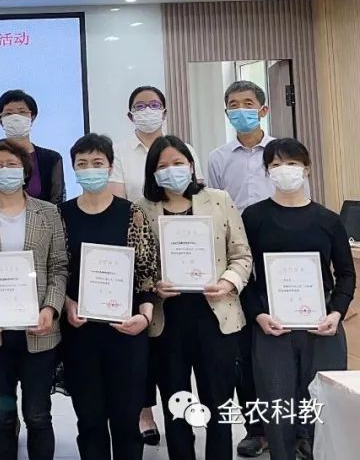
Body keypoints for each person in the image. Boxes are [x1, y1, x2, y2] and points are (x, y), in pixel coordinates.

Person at [136, 135, 252, 460]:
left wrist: (228, 282)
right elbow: (140, 264)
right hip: (168, 320)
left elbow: (242, 254)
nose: (171, 170)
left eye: (178, 163)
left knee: (218, 402)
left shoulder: (218, 200)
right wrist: (155, 285)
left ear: (190, 165)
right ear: (152, 172)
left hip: (216, 315)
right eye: (162, 166)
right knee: (177, 404)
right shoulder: (142, 208)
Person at [242, 138, 355, 460]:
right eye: (275, 165)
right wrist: (258, 314)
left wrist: (337, 312)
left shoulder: (328, 219)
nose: (284, 170)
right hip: (272, 325)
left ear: (306, 169)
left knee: (324, 405)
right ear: (267, 172)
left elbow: (346, 273)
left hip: (322, 324)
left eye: (291, 163)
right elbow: (244, 273)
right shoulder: (254, 217)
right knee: (277, 404)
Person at [0, 139, 69, 460]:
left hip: (39, 331)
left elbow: (59, 266)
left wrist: (51, 308)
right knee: (1, 415)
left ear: (25, 170)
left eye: (11, 164)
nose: (4, 170)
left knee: (38, 415)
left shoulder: (48, 212)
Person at [205, 80, 298, 457]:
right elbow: (214, 208)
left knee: (284, 342)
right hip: (237, 259)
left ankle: (296, 429)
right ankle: (256, 428)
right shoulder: (217, 157)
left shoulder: (282, 152)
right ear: (227, 112)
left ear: (263, 109)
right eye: (233, 104)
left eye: (247, 103)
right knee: (244, 349)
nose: (240, 109)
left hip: (281, 255)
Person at [108, 86, 203, 443]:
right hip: (137, 256)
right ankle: (145, 414)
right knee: (143, 343)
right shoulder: (119, 152)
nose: (147, 110)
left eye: (154, 104)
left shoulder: (184, 147)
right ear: (129, 114)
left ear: (164, 110)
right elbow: (119, 204)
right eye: (139, 105)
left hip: (185, 256)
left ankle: (183, 414)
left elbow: (195, 193)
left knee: (173, 344)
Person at [58, 134, 159, 460]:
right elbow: (57, 270)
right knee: (90, 422)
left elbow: (146, 272)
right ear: (74, 169)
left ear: (110, 166)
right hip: (80, 332)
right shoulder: (61, 215)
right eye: (82, 164)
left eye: (97, 163)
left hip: (126, 332)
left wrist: (144, 316)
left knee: (127, 421)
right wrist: (67, 304)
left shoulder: (132, 213)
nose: (90, 169)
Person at [0, 90, 65, 204]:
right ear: (0, 120)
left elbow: (57, 201)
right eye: (8, 113)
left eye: (22, 112)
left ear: (32, 117)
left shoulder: (51, 159)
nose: (16, 117)